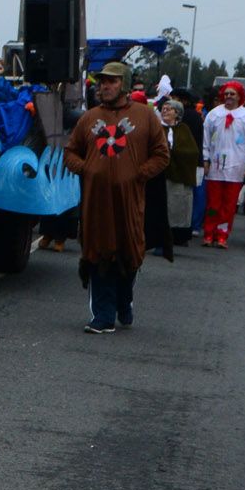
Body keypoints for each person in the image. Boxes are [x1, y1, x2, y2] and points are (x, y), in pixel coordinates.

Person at [64, 60, 169, 333]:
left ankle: (124, 302)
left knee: (128, 253)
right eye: (101, 82)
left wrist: (139, 174)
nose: (104, 86)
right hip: (95, 203)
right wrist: (86, 169)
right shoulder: (89, 118)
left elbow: (161, 154)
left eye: (111, 81)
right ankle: (103, 316)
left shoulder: (145, 116)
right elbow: (70, 151)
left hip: (130, 202)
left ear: (123, 83)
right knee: (99, 255)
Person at [201, 81, 245, 247]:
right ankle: (208, 232)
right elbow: (205, 140)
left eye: (232, 94)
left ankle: (222, 234)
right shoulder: (214, 114)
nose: (228, 97)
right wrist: (205, 159)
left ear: (239, 96)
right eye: (226, 93)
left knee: (228, 205)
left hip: (236, 167)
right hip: (215, 166)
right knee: (213, 203)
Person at [159, 98, 201, 245]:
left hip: (177, 176)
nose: (165, 110)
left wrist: (173, 153)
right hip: (159, 174)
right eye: (163, 108)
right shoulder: (158, 129)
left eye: (169, 108)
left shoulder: (184, 130)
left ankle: (175, 236)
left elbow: (192, 152)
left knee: (176, 205)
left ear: (177, 113)